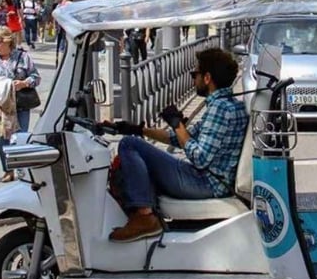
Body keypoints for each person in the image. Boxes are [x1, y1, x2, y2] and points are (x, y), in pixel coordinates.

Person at [106, 47, 248, 242]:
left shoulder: (220, 109)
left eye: (194, 74)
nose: (192, 79)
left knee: (129, 145)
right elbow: (181, 138)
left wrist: (178, 124)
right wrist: (138, 130)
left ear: (207, 78)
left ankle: (145, 217)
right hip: (209, 179)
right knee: (134, 140)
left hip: (205, 183)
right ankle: (144, 214)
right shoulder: (228, 104)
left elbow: (199, 157)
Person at [0, 27, 40, 182]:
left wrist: (24, 83)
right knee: (3, 137)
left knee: (20, 136)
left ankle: (21, 169)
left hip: (20, 103)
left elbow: (36, 77)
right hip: (1, 106)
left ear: (8, 42)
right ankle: (8, 169)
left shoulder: (23, 57)